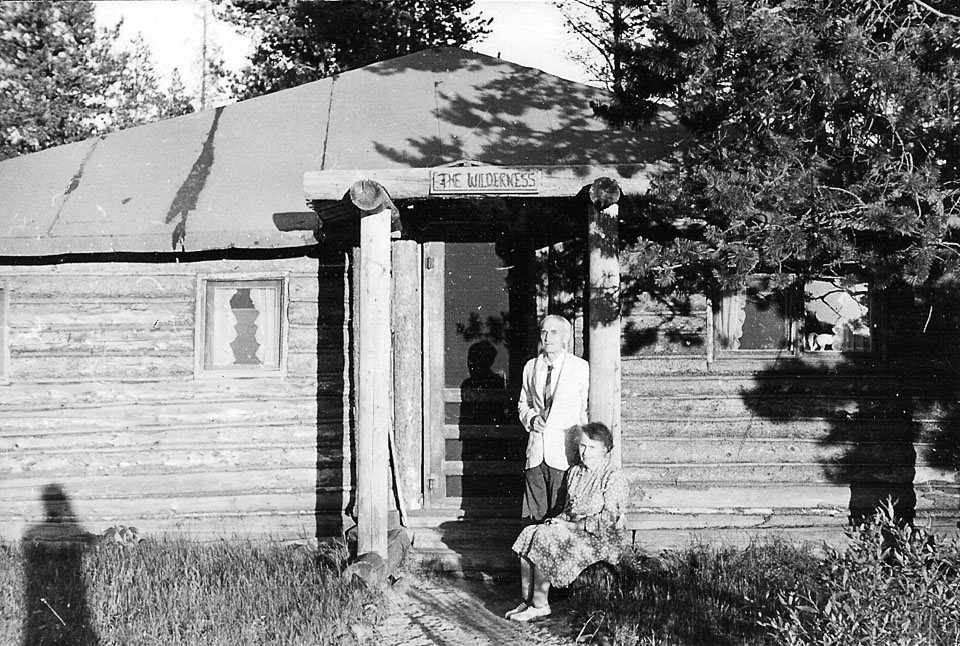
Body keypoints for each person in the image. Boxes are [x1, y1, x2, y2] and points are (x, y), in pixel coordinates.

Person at [506, 422, 628, 622]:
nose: (585, 452)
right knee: (530, 532)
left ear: (605, 449)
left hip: (601, 539)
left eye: (592, 447)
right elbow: (570, 509)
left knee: (546, 538)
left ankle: (540, 605)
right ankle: (527, 600)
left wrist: (572, 526)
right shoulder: (575, 473)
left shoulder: (614, 477)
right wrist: (559, 520)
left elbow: (609, 519)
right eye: (582, 446)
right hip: (575, 530)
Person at [517, 315, 589, 523]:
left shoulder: (579, 367)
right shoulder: (531, 367)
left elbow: (583, 409)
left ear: (566, 337)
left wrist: (583, 447)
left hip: (563, 451)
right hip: (537, 450)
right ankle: (530, 554)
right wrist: (531, 419)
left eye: (554, 332)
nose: (548, 338)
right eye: (544, 332)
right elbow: (524, 403)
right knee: (533, 515)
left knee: (560, 513)